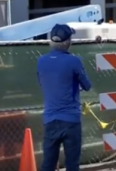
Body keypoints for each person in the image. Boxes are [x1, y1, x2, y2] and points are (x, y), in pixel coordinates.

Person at [37, 24, 92, 171]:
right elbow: (87, 85)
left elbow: (43, 83)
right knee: (72, 164)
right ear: (67, 42)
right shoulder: (74, 61)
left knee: (48, 163)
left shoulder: (41, 61)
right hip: (71, 120)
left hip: (50, 119)